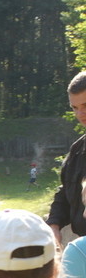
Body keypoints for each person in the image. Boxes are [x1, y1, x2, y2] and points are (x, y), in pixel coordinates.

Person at [47, 71, 86, 244]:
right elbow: (65, 192)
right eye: (75, 108)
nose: (80, 114)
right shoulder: (77, 150)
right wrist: (54, 225)